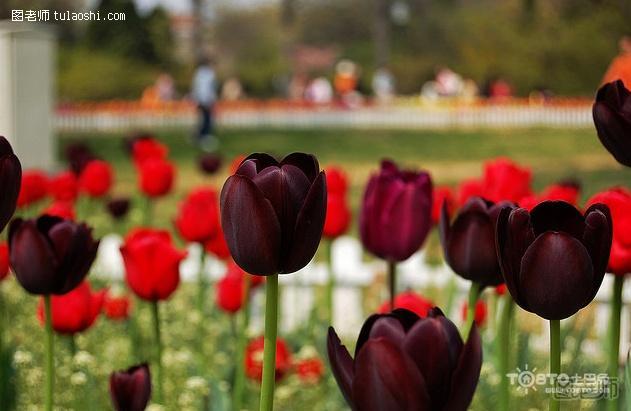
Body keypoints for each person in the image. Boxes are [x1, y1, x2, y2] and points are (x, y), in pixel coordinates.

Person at [191, 56, 218, 151]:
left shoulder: (198, 73)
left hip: (200, 99)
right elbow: (209, 88)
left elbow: (196, 87)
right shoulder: (209, 73)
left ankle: (199, 135)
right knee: (207, 119)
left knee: (203, 118)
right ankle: (204, 137)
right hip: (206, 99)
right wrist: (210, 100)